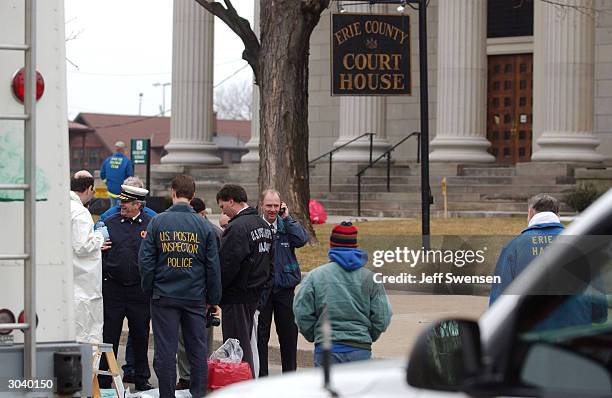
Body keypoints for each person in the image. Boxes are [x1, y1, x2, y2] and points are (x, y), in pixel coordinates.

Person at [139, 175, 221, 398]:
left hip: (164, 296)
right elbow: (213, 267)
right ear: (193, 196)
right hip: (194, 297)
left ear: (172, 192)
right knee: (197, 350)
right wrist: (213, 299)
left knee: (166, 351)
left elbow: (145, 261)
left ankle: (167, 395)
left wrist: (150, 289)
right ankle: (198, 393)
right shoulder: (204, 226)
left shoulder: (157, 222)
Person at [489, 194, 607, 329]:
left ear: (530, 212)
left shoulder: (513, 248)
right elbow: (599, 310)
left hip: (532, 338)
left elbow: (497, 306)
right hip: (576, 336)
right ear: (557, 214)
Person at [293, 221, 392, 366]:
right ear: (355, 246)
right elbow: (383, 315)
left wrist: (313, 335)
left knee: (326, 389)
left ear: (332, 245)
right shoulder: (370, 278)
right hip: (360, 349)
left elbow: (301, 312)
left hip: (326, 349)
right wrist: (368, 335)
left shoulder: (315, 276)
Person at [97, 175, 156, 383]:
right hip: (113, 288)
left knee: (140, 335)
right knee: (109, 337)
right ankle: (104, 379)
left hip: (139, 291)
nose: (120, 205)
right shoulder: (109, 223)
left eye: (125, 202)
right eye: (121, 201)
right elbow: (99, 254)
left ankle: (141, 377)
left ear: (137, 204)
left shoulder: (151, 224)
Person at [216, 184, 274, 377]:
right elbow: (271, 263)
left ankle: (241, 386)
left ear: (231, 201)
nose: (223, 211)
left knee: (236, 346)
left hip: (237, 295)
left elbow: (227, 265)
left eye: (223, 206)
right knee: (248, 342)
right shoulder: (263, 225)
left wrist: (216, 293)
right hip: (255, 294)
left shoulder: (237, 227)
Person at [256, 189, 309, 376]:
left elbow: (302, 239)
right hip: (262, 291)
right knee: (260, 336)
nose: (272, 209)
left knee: (288, 335)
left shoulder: (286, 225)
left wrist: (287, 218)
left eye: (276, 206)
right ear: (261, 205)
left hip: (285, 289)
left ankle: (290, 378)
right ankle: (261, 377)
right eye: (269, 205)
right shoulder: (255, 226)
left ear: (281, 206)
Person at [175, 197, 223, 391]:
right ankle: (198, 377)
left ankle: (189, 377)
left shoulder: (212, 232)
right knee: (200, 339)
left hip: (187, 292)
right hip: (200, 294)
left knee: (186, 340)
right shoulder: (212, 231)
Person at [70, 170, 108, 344]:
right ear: (89, 188)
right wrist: (100, 236)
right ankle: (88, 371)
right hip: (83, 285)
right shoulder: (80, 212)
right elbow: (83, 246)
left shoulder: (62, 207)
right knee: (87, 335)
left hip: (72, 281)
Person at [100, 140, 134, 206]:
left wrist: (107, 183)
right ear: (123, 149)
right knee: (122, 208)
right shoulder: (126, 161)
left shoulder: (108, 160)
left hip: (111, 189)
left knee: (112, 208)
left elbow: (102, 174)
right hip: (122, 191)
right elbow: (130, 177)